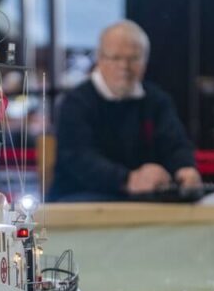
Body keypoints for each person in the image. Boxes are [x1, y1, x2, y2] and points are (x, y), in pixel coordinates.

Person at [50, 20, 202, 202]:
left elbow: (175, 143)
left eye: (134, 58)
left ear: (145, 60)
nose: (125, 67)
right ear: (100, 59)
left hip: (143, 199)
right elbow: (79, 158)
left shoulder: (156, 100)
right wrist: (127, 179)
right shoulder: (76, 102)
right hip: (79, 197)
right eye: (116, 58)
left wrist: (185, 168)